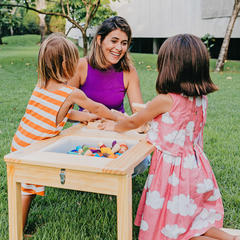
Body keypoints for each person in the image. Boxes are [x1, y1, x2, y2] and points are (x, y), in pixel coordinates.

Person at [99, 34, 240, 240]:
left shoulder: (164, 100)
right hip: (196, 166)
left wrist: (114, 125)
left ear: (170, 67)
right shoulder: (200, 99)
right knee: (195, 220)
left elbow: (133, 122)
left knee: (175, 232)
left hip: (173, 172)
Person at [11, 34, 124, 231]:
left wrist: (84, 117)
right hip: (32, 148)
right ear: (65, 65)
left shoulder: (41, 84)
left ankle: (19, 226)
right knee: (26, 191)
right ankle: (18, 231)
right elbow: (98, 109)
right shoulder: (71, 93)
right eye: (74, 61)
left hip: (20, 142)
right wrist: (119, 117)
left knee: (25, 188)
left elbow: (59, 112)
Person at [68, 16, 151, 177]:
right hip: (86, 130)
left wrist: (144, 112)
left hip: (117, 129)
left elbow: (138, 116)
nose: (119, 48)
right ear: (99, 40)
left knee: (142, 162)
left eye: (124, 43)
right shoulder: (81, 66)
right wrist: (85, 117)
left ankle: (110, 175)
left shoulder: (129, 71)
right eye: (113, 41)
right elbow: (63, 112)